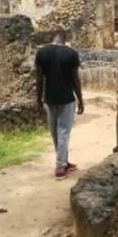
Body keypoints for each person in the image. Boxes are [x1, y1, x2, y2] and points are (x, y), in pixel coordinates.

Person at [35, 26, 85, 179]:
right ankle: (60, 166)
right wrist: (81, 100)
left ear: (51, 36)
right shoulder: (71, 53)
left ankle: (62, 160)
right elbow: (75, 80)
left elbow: (39, 79)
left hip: (50, 99)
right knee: (63, 132)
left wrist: (38, 99)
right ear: (65, 36)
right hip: (67, 99)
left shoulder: (42, 53)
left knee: (55, 132)